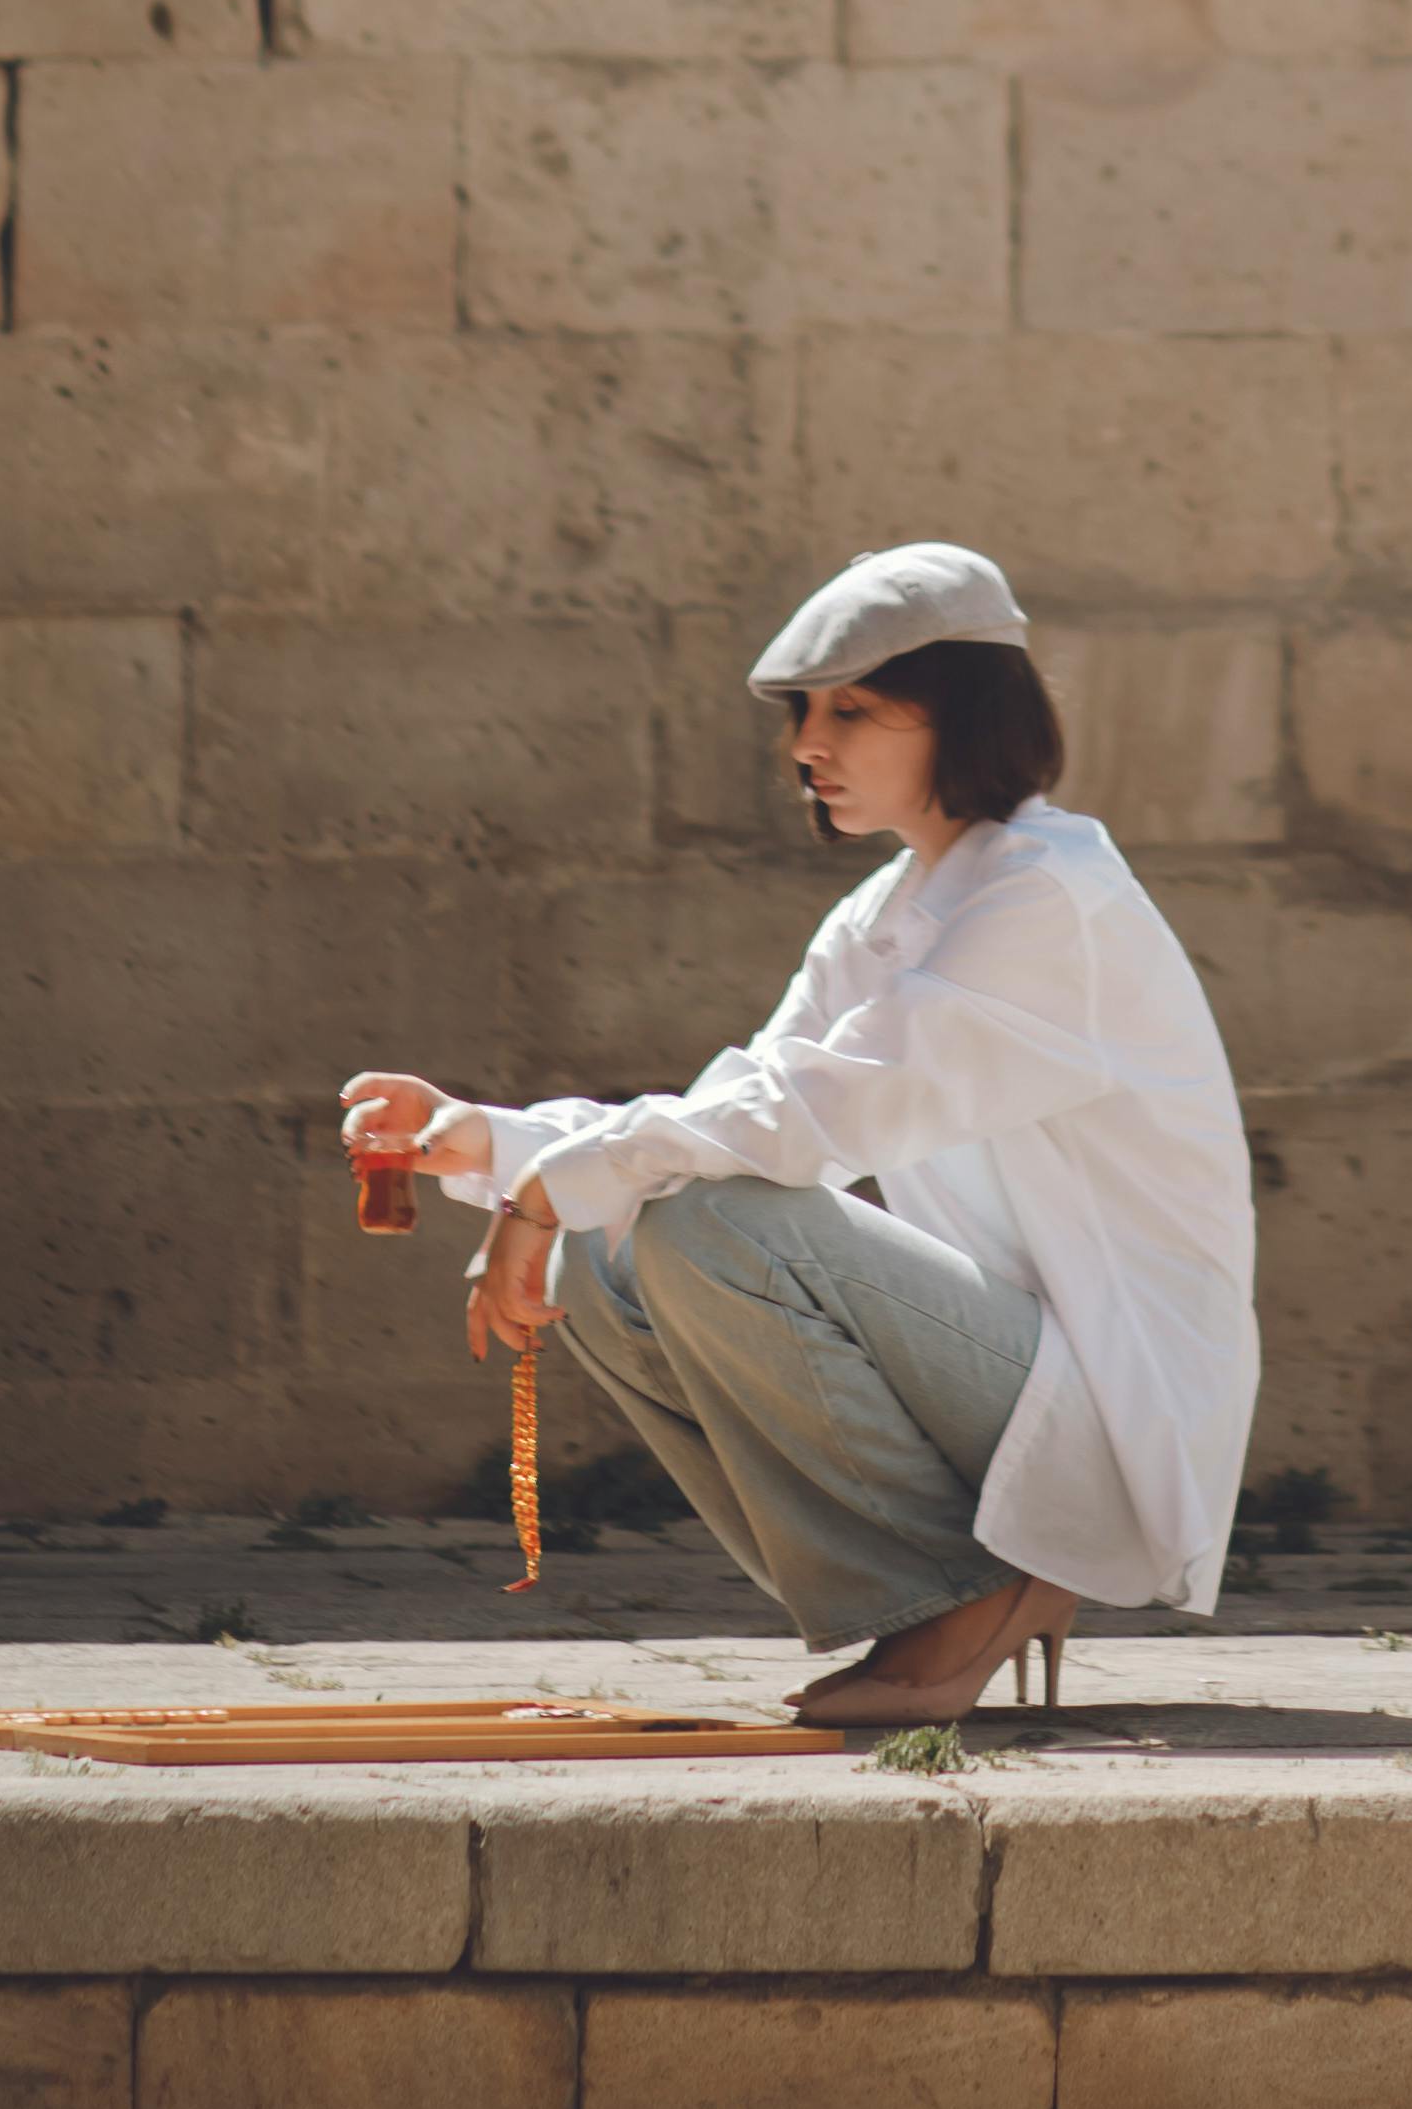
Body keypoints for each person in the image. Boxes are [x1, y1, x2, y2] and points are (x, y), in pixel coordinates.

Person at [340, 537, 1257, 1718]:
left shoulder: (1045, 895)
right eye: (804, 714)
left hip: (1109, 1399)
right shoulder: (890, 906)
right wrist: (496, 1143)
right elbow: (748, 1101)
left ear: (965, 718)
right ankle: (939, 1595)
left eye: (855, 710)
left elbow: (810, 1122)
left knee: (707, 1224)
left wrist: (546, 1186)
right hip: (1000, 1371)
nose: (808, 747)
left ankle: (967, 1595)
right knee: (609, 1248)